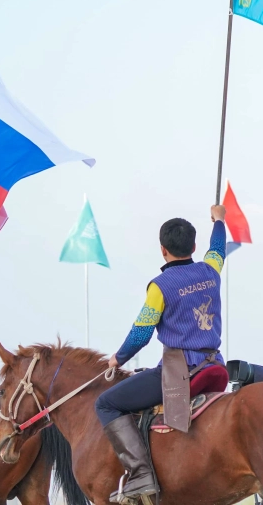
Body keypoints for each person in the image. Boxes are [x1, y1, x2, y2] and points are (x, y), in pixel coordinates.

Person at [94, 205, 227, 504]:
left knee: (106, 403)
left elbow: (141, 334)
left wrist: (117, 359)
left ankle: (140, 474)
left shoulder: (160, 286)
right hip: (214, 365)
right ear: (194, 247)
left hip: (179, 372)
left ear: (162, 250)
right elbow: (217, 248)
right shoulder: (211, 270)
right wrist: (219, 221)